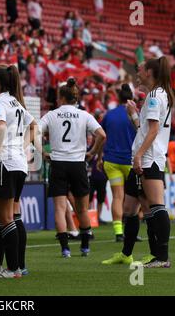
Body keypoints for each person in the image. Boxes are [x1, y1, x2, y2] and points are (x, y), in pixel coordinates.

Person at [102, 57, 174, 268]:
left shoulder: (154, 96)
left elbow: (153, 131)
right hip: (146, 156)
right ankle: (127, 254)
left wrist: (138, 155)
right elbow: (145, 130)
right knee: (130, 207)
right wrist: (134, 115)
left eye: (140, 69)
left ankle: (161, 257)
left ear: (150, 72)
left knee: (156, 205)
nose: (137, 72)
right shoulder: (160, 95)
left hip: (148, 159)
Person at [38, 78, 106, 258]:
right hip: (78, 164)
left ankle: (65, 249)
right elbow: (102, 135)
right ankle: (85, 247)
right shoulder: (84, 115)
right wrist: (92, 152)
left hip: (58, 163)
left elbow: (33, 132)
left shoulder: (52, 115)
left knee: (60, 208)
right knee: (82, 209)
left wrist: (42, 153)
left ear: (60, 98)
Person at [0, 64, 36, 278]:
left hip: (5, 163)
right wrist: (21, 146)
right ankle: (8, 266)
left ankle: (13, 269)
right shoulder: (16, 102)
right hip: (19, 163)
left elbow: (1, 127)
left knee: (5, 217)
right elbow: (34, 126)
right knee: (6, 215)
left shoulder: (0, 103)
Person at [98, 84, 137, 242]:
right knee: (135, 198)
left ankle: (118, 232)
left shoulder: (109, 115)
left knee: (117, 197)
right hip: (130, 162)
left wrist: (100, 157)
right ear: (131, 99)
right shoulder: (134, 114)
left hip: (111, 161)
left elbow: (102, 136)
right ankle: (131, 230)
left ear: (118, 98)